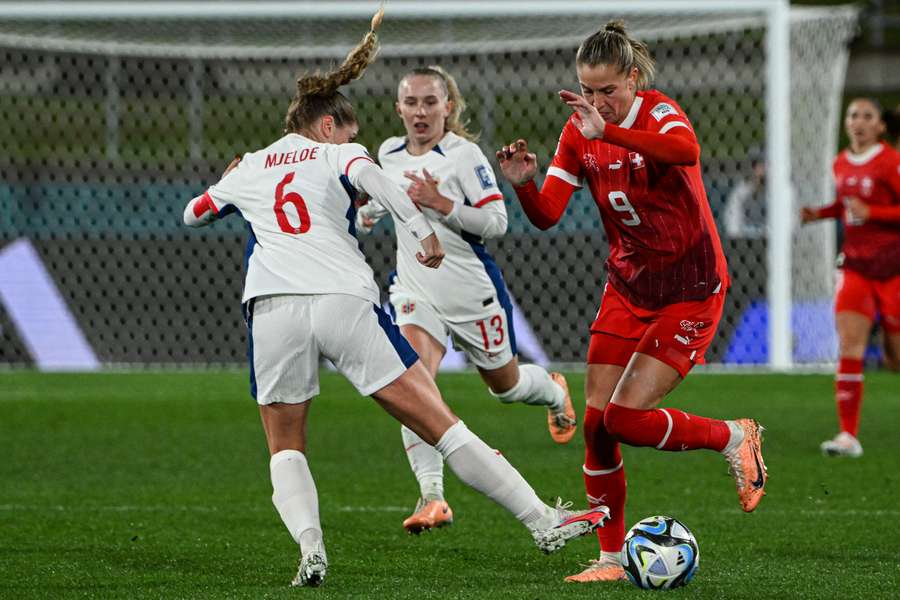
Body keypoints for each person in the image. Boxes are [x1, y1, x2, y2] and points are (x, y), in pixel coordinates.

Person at [182, 8, 608, 588]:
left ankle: (311, 551)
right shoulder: (342, 154)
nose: (357, 137)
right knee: (443, 423)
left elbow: (195, 213)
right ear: (329, 125)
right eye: (349, 130)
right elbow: (381, 188)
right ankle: (542, 522)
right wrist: (424, 231)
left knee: (285, 446)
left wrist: (230, 181)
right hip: (342, 300)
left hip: (273, 307)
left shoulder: (252, 165)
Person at [495, 20, 768, 584]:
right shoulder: (578, 132)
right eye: (586, 90)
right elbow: (547, 215)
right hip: (628, 286)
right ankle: (611, 561)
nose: (595, 102)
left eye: (607, 91)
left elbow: (686, 149)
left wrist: (610, 130)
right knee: (598, 425)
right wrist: (522, 183)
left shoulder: (659, 112)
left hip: (691, 291)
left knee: (623, 418)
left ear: (634, 79)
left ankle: (735, 436)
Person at [355, 65, 577, 535]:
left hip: (472, 293)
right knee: (414, 382)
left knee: (508, 386)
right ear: (398, 108)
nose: (420, 111)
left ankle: (556, 392)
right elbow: (387, 198)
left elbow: (496, 222)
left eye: (430, 102)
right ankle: (432, 496)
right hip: (415, 291)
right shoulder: (387, 154)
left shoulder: (463, 156)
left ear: (447, 107)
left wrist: (443, 204)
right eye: (411, 102)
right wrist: (371, 210)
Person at [800, 97, 900, 458]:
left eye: (867, 116)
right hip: (856, 267)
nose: (858, 121)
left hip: (893, 271)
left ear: (880, 126)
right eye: (853, 115)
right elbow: (846, 207)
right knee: (850, 346)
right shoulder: (840, 163)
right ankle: (847, 435)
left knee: (894, 360)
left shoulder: (892, 162)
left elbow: (874, 210)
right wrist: (821, 213)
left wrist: (872, 211)